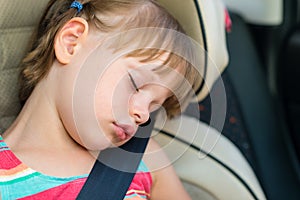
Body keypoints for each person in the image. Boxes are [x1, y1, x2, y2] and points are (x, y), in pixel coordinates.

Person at [0, 0, 202, 199]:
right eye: (135, 84)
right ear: (71, 43)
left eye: (154, 105)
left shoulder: (143, 157)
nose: (143, 114)